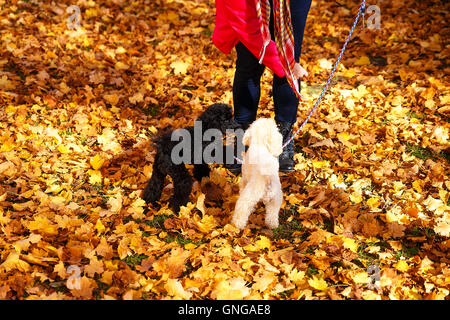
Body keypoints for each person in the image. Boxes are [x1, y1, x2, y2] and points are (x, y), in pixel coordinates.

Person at [212, 0, 312, 173]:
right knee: (248, 63)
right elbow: (252, 37)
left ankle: (284, 136)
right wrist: (287, 65)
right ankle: (241, 135)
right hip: (249, 5)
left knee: (290, 52)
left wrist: (289, 62)